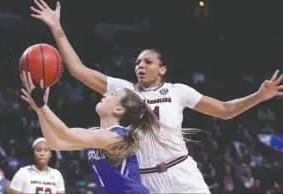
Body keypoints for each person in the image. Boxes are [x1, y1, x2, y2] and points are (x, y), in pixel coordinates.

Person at [30, 0, 283, 193]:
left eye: (148, 62)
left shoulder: (179, 91)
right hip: (144, 179)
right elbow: (78, 70)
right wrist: (56, 27)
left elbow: (224, 110)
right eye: (137, 62)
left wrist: (258, 95)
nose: (140, 65)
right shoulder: (124, 90)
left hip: (180, 172)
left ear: (162, 69)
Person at [19, 72, 170, 194]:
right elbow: (55, 143)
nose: (105, 94)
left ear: (118, 110)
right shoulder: (96, 135)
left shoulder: (116, 136)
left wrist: (43, 106)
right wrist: (40, 111)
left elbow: (65, 133)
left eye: (112, 94)